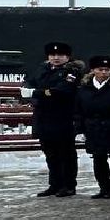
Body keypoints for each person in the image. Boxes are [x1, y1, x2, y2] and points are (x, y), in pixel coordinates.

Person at [27, 40, 82, 197]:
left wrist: (36, 93)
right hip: (43, 117)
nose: (56, 58)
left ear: (67, 57)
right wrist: (29, 89)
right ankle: (55, 184)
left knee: (66, 154)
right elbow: (31, 82)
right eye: (53, 55)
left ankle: (69, 185)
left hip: (62, 117)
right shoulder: (42, 69)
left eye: (60, 55)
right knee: (50, 154)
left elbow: (62, 91)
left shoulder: (72, 72)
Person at [73, 55, 110, 198]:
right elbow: (78, 111)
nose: (104, 72)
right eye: (100, 69)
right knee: (98, 159)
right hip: (93, 128)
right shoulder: (84, 88)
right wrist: (79, 130)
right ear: (93, 70)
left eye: (107, 69)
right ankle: (104, 187)